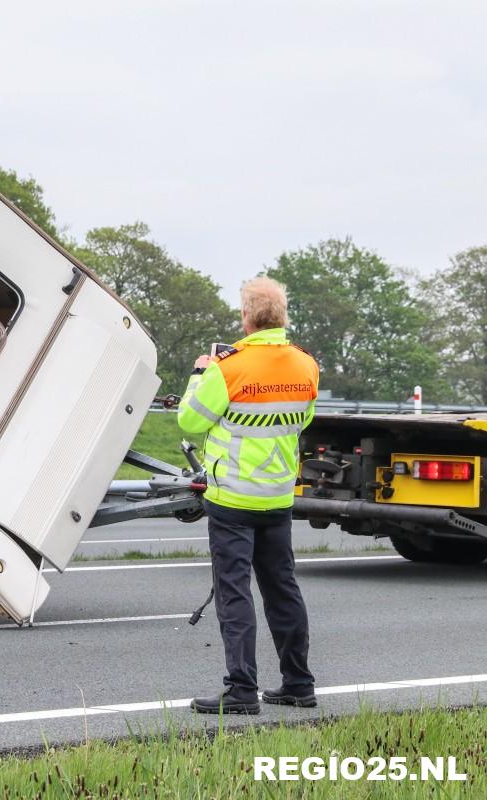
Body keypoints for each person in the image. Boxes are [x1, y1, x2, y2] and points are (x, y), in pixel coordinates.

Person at [177, 276, 320, 715]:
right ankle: (298, 683)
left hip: (232, 500)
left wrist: (200, 374)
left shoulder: (228, 368)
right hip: (277, 498)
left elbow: (189, 422)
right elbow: (304, 419)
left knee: (234, 591)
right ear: (281, 317)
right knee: (283, 589)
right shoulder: (306, 365)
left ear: (246, 318)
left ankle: (241, 689)